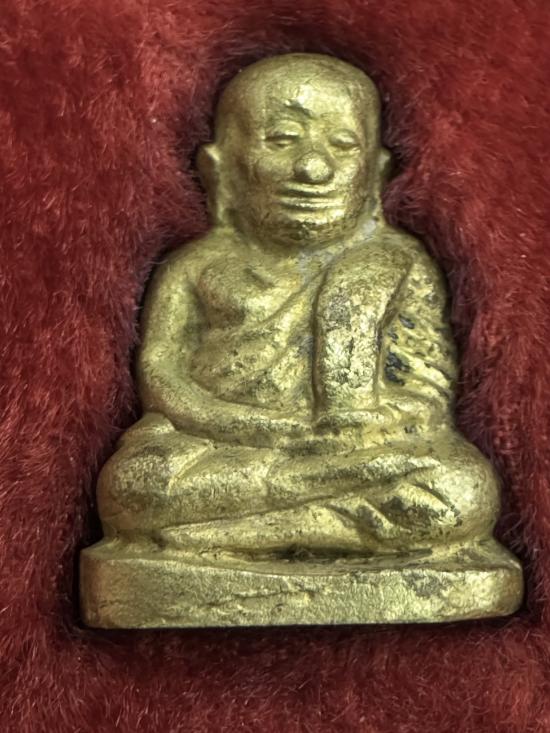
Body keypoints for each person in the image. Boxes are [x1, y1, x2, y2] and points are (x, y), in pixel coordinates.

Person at [97, 53, 499, 557]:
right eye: (283, 140)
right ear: (219, 169)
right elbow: (161, 376)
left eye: (343, 144)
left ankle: (257, 532)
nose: (313, 168)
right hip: (223, 444)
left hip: (353, 450)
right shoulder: (196, 266)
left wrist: (374, 426)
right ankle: (308, 514)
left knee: (462, 489)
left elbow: (427, 386)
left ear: (375, 174)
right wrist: (259, 428)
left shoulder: (398, 263)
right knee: (134, 485)